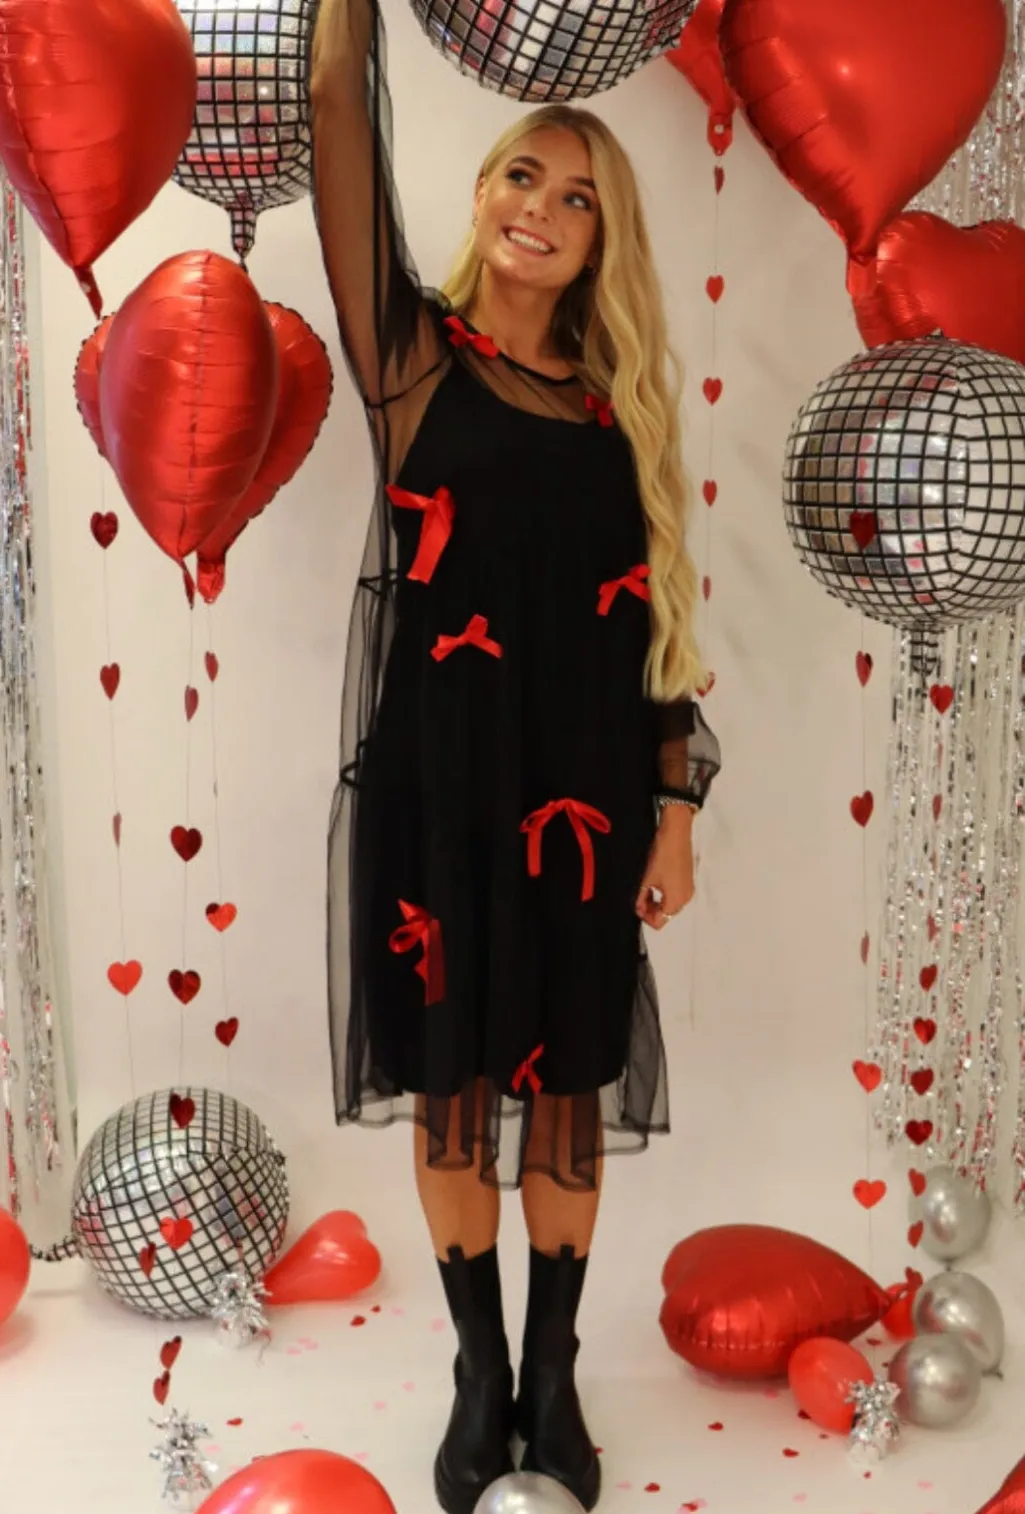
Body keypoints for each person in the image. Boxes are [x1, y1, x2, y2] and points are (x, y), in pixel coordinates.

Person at [310, 0, 721, 1508]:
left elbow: (655, 632)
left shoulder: (620, 415)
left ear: (605, 242)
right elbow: (340, 117)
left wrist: (673, 810)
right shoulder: (417, 364)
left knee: (562, 1094)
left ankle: (555, 1371)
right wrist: (343, 20)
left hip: (586, 801)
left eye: (579, 196)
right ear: (482, 194)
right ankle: (479, 1374)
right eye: (523, 176)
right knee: (452, 1087)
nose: (542, 207)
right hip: (440, 793)